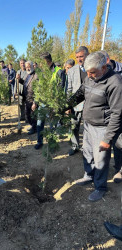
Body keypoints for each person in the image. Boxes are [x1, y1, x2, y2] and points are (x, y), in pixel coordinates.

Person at [68, 51, 122, 201]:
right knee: (87, 152)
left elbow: (117, 114)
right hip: (88, 124)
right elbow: (80, 93)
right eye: (88, 72)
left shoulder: (115, 83)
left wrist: (107, 138)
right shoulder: (90, 77)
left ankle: (100, 187)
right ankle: (88, 175)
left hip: (102, 128)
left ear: (104, 67)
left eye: (93, 72)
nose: (89, 75)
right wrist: (67, 106)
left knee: (100, 160)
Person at [34, 52, 66, 150]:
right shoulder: (42, 72)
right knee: (39, 123)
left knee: (52, 124)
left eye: (42, 62)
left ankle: (52, 143)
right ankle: (40, 142)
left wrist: (56, 103)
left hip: (53, 103)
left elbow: (61, 88)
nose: (40, 64)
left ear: (47, 61)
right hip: (43, 102)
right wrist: (35, 101)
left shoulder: (58, 71)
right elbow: (38, 88)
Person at [100, 50, 122, 183]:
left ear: (106, 61)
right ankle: (117, 168)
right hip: (110, 113)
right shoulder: (102, 73)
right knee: (115, 142)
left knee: (120, 142)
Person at [67, 46, 89, 156]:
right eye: (77, 57)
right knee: (74, 126)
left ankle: (87, 149)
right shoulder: (71, 71)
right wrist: (68, 106)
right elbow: (69, 90)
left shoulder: (93, 69)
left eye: (81, 56)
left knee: (87, 130)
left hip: (90, 105)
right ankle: (75, 146)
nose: (79, 59)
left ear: (87, 56)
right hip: (76, 105)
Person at [17, 61, 38, 135]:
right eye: (26, 67)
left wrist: (35, 102)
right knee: (27, 115)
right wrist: (19, 79)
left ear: (32, 66)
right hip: (27, 99)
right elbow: (24, 83)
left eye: (29, 66)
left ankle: (34, 128)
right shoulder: (27, 75)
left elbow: (38, 90)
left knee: (33, 116)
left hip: (33, 100)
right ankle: (32, 125)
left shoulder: (36, 76)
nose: (27, 68)